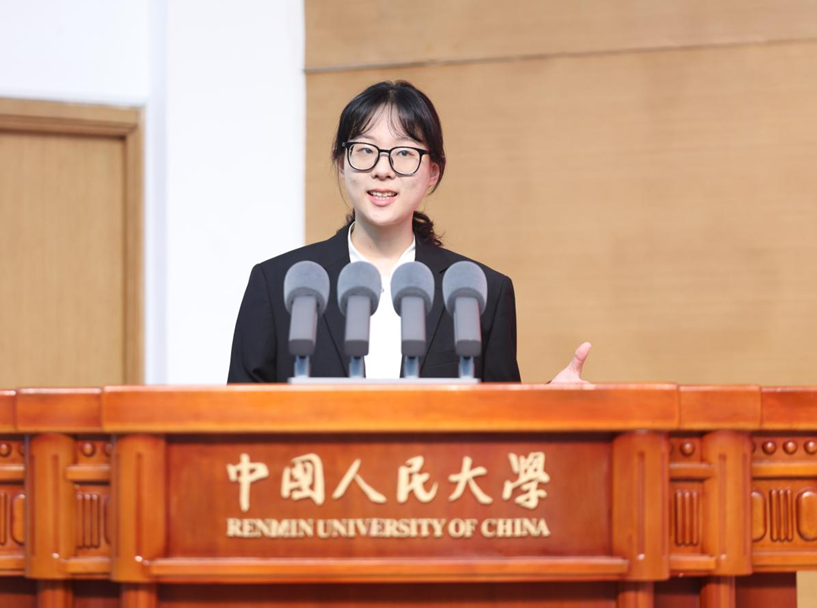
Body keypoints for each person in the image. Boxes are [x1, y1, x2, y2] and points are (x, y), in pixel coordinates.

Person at [228, 80, 590, 384]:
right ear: (341, 163)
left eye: (403, 153)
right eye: (365, 150)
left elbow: (501, 425)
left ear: (433, 172)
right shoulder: (279, 284)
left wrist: (549, 404)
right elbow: (239, 422)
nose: (382, 170)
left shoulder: (479, 292)